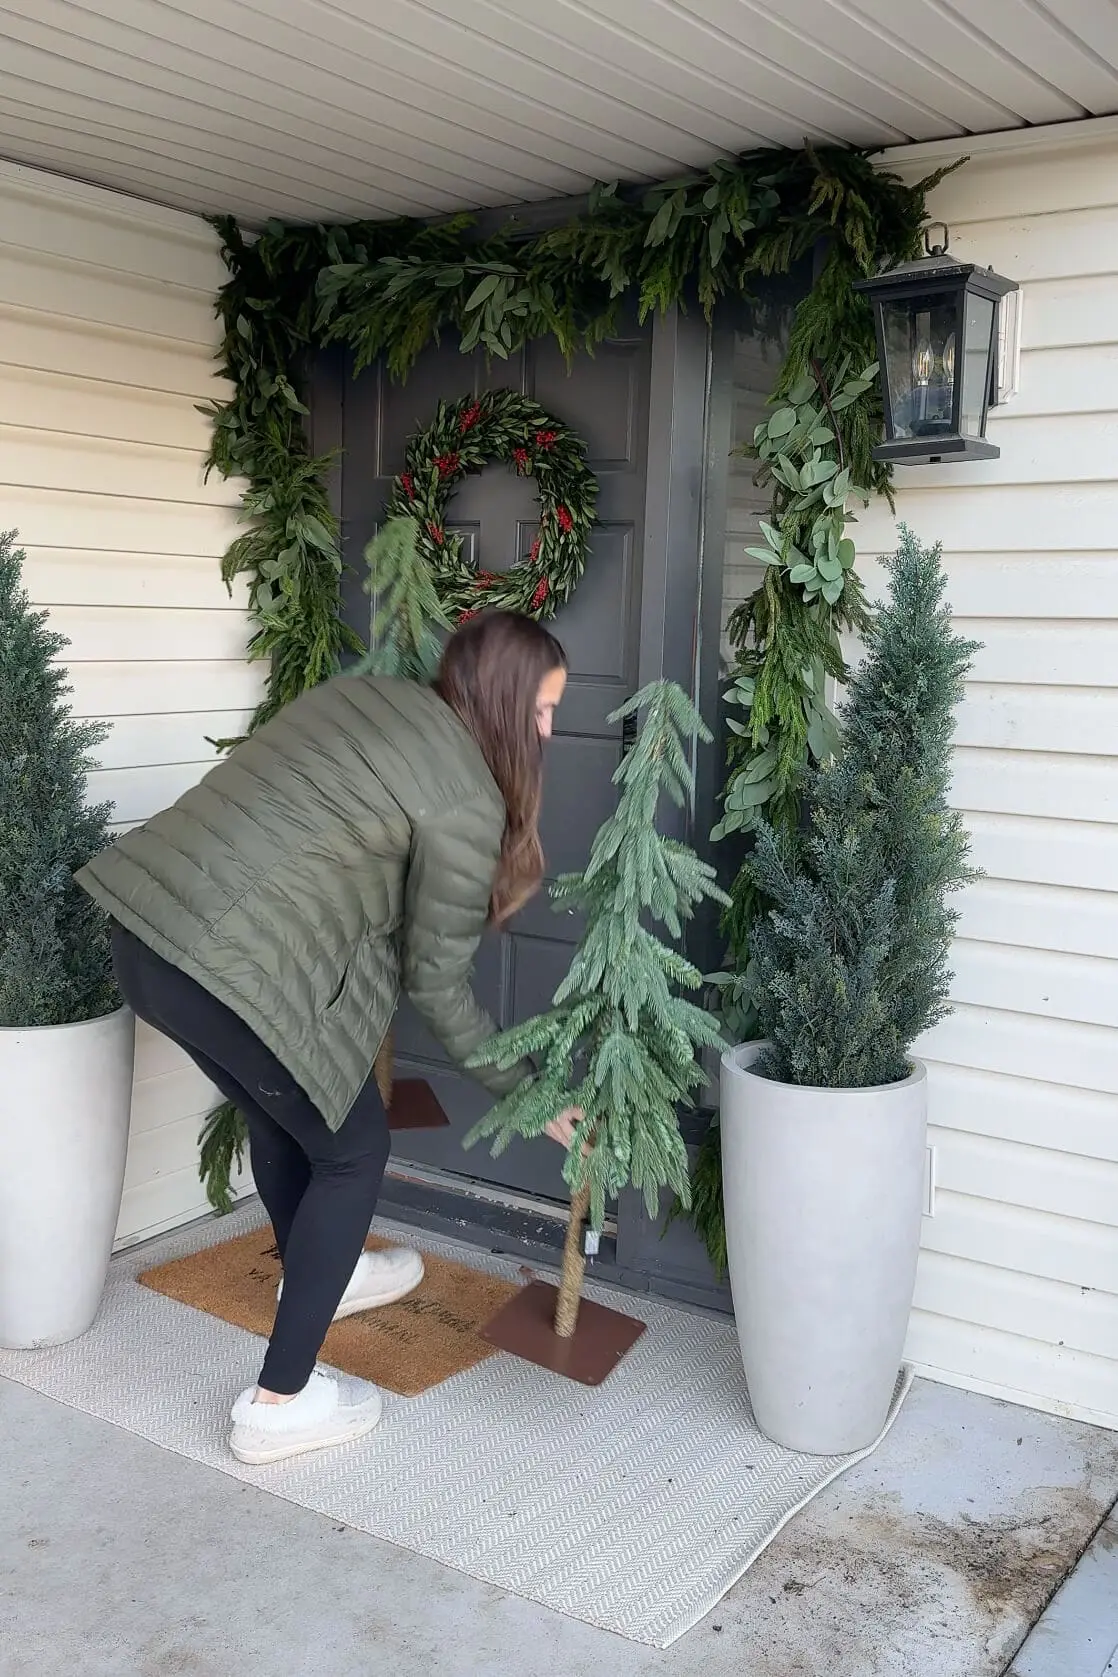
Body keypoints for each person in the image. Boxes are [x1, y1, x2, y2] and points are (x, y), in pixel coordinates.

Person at [77, 610, 583, 1466]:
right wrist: (528, 1091)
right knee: (353, 1149)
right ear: (499, 704)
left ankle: (330, 1274)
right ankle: (280, 1402)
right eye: (540, 710)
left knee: (290, 1117)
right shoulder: (464, 797)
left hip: (147, 940)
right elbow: (435, 983)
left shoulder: (363, 695)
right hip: (226, 973)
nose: (548, 731)